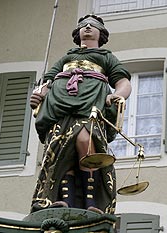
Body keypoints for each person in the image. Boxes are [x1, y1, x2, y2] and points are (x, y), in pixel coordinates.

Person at [30, 14, 131, 214]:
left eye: (93, 26)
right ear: (77, 33)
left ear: (101, 33)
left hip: (90, 106)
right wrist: (39, 95)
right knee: (62, 149)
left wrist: (117, 96)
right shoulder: (67, 58)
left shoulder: (106, 57)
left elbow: (123, 82)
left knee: (85, 142)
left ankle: (91, 201)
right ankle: (64, 199)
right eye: (83, 25)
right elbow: (47, 83)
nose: (87, 28)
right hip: (60, 108)